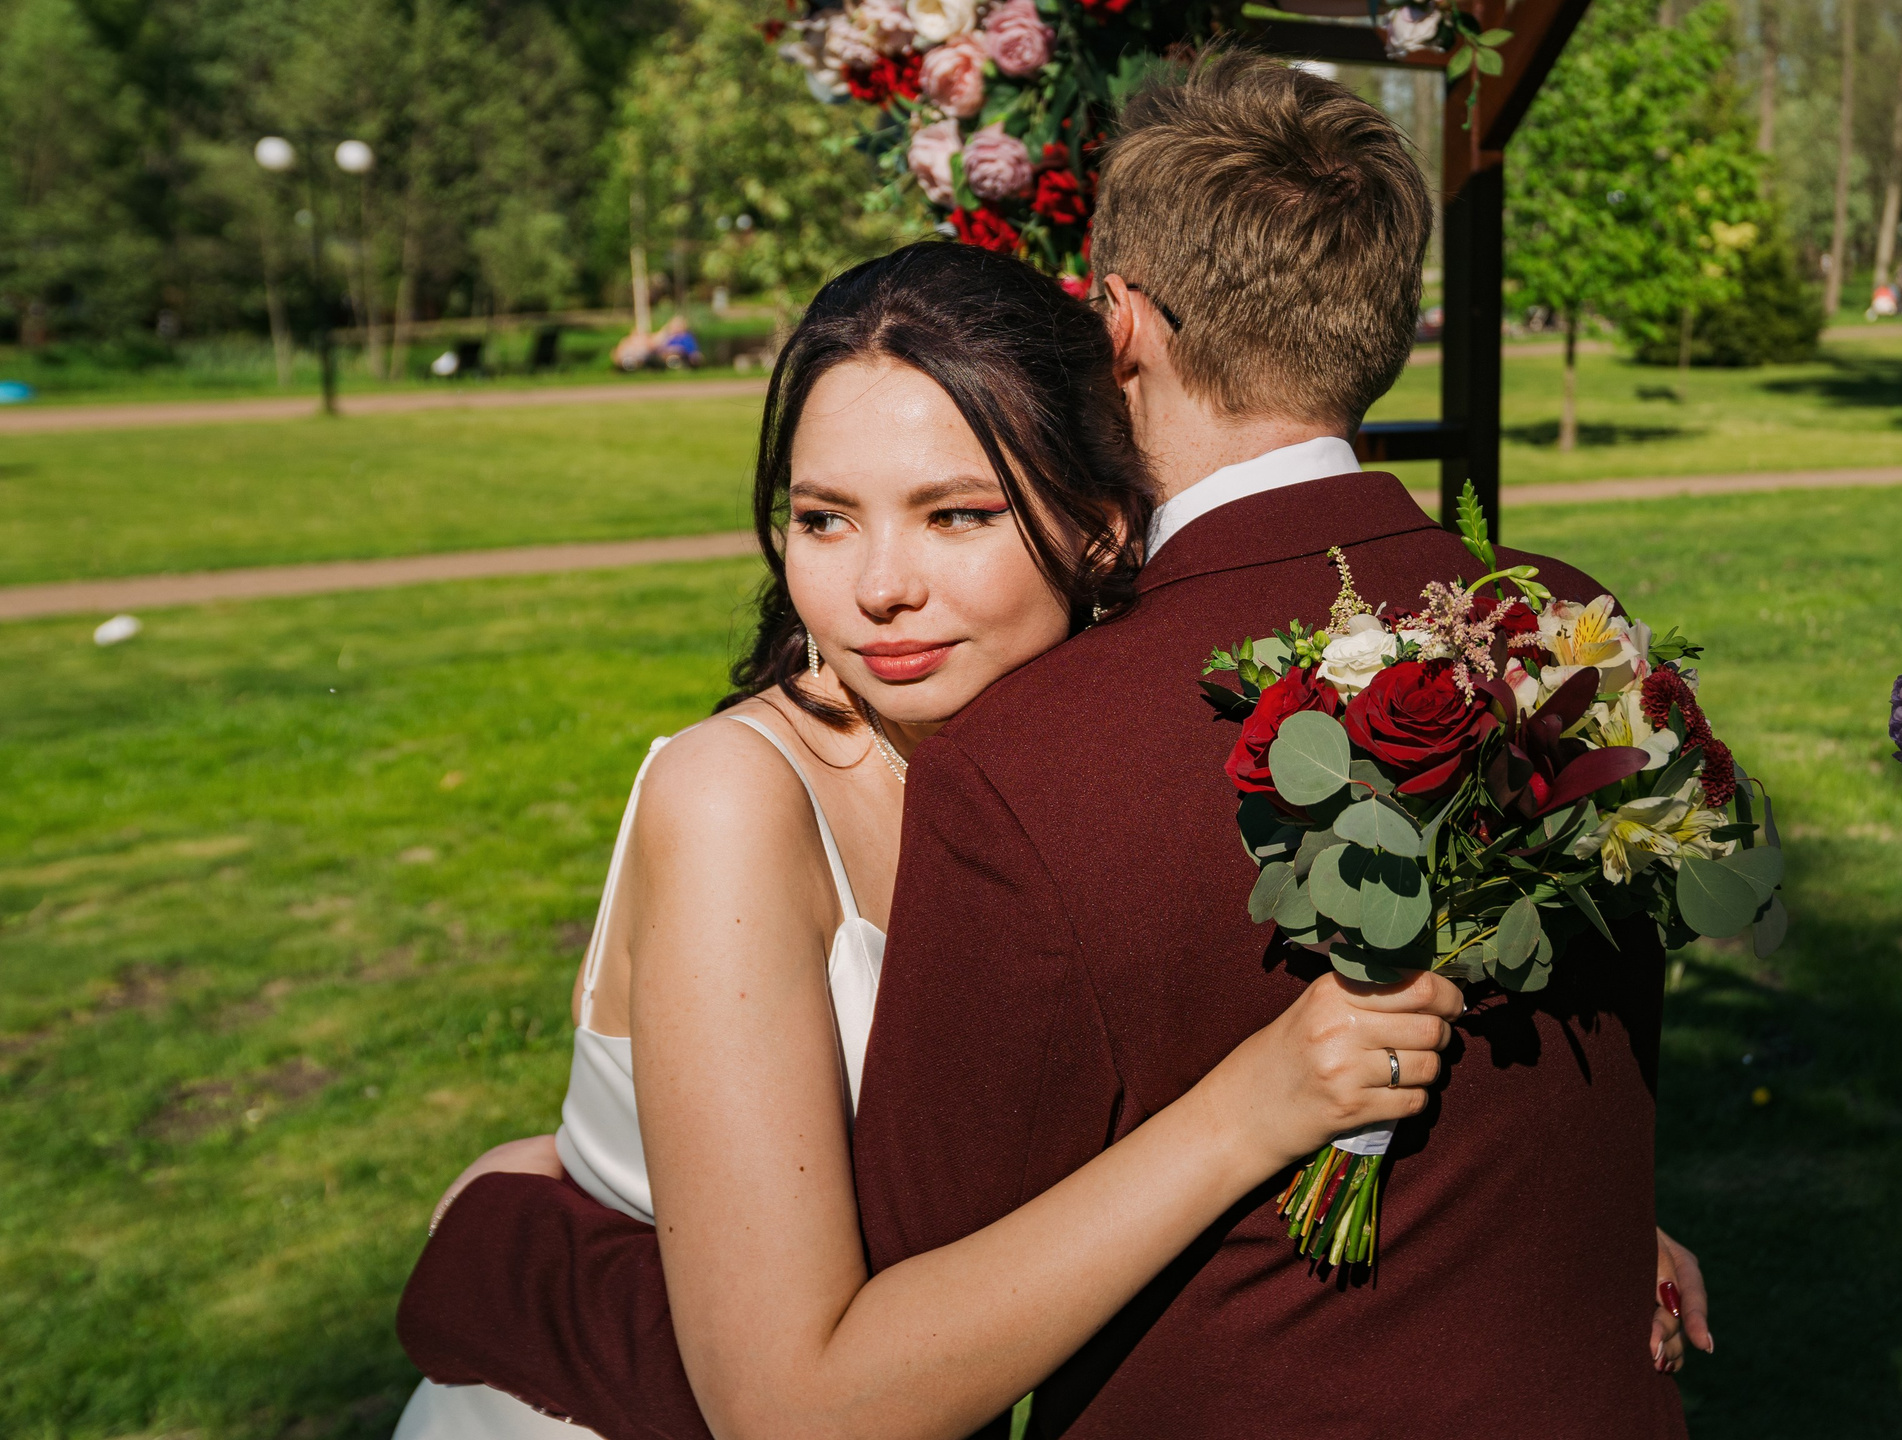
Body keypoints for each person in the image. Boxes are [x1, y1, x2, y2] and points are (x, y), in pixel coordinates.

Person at [401, 54, 1704, 1440]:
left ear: (1096, 493)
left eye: (957, 513)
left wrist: (1568, 1229)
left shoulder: (1092, 732)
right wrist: (516, 1241)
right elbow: (790, 1373)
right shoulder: (791, 789)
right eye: (822, 516)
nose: (878, 586)